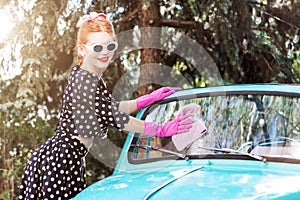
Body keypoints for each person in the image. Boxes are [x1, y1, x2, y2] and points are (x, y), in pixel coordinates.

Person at [18, 12, 194, 199]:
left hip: (69, 156)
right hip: (62, 159)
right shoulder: (84, 80)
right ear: (82, 50)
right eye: (97, 47)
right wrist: (161, 130)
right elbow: (117, 118)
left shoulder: (89, 76)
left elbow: (111, 108)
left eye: (110, 46)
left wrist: (147, 99)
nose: (105, 53)